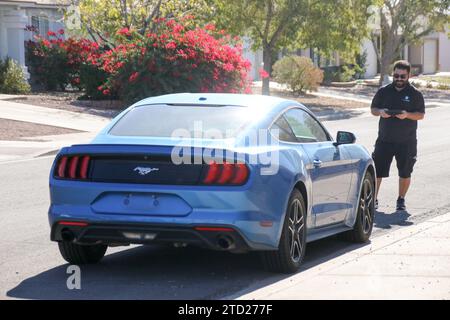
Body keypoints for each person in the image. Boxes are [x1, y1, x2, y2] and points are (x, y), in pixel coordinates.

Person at [371, 60, 425, 211]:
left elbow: (420, 115)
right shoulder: (384, 91)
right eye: (396, 75)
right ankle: (373, 199)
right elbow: (373, 109)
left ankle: (401, 199)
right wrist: (380, 112)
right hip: (384, 140)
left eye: (403, 76)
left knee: (405, 172)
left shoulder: (415, 94)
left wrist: (407, 114)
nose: (399, 79)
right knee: (377, 171)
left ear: (409, 76)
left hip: (406, 142)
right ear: (393, 74)